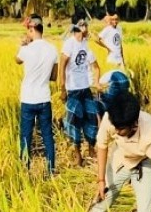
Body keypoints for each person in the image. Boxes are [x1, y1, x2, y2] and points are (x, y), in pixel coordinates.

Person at [15, 14, 58, 174]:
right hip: (44, 99)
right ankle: (51, 170)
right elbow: (54, 77)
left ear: (32, 28)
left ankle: (25, 169)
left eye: (28, 29)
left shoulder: (26, 49)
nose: (27, 33)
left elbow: (17, 60)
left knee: (26, 136)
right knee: (47, 135)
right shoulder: (52, 49)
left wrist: (23, 44)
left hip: (28, 99)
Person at [60, 19, 101, 167]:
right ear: (77, 27)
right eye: (82, 24)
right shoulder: (69, 44)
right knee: (74, 122)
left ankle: (91, 149)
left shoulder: (86, 44)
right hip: (73, 90)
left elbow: (96, 67)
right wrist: (62, 88)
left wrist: (96, 82)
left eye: (86, 24)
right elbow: (62, 66)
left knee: (91, 118)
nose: (85, 27)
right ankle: (78, 155)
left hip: (85, 88)